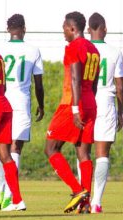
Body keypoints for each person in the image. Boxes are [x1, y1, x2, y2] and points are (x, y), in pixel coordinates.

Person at [44, 11, 100, 214]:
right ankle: (85, 205)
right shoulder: (94, 49)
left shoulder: (73, 47)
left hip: (72, 104)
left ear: (72, 28)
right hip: (90, 103)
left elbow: (76, 78)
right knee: (83, 152)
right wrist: (87, 103)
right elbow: (93, 82)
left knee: (50, 148)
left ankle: (77, 191)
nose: (63, 33)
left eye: (64, 29)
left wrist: (76, 109)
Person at [0, 14, 44, 210]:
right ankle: (10, 196)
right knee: (11, 149)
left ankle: (2, 193)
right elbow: (38, 84)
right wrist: (41, 104)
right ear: (24, 28)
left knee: (3, 150)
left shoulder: (0, 50)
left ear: (8, 29)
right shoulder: (33, 50)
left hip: (1, 98)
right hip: (19, 103)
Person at [85, 12, 123, 213]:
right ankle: (96, 202)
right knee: (102, 153)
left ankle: (83, 197)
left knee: (83, 151)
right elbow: (120, 86)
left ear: (87, 29)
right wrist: (120, 112)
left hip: (85, 102)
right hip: (106, 102)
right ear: (105, 28)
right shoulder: (114, 52)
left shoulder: (80, 49)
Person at [0, 51, 26, 211]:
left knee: (5, 155)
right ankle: (18, 200)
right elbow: (4, 86)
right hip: (4, 105)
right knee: (4, 155)